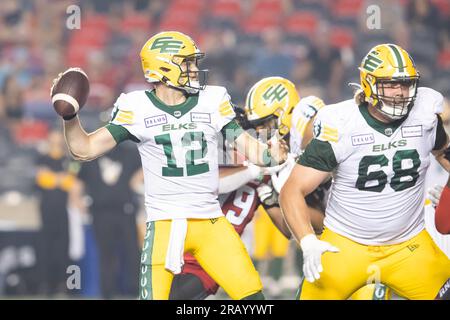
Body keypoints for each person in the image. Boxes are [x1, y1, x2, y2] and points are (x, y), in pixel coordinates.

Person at [53, 31, 287, 300]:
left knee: (254, 299)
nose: (195, 69)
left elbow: (250, 148)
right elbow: (84, 148)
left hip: (211, 223)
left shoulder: (213, 100)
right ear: (164, 67)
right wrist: (70, 117)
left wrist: (271, 156)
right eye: (187, 63)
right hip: (164, 224)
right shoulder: (136, 107)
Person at [280, 43, 450, 300]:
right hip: (346, 246)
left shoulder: (425, 115)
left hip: (409, 246)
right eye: (391, 84)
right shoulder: (342, 125)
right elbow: (292, 190)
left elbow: (442, 151)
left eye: (405, 84)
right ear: (369, 84)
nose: (400, 92)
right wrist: (308, 241)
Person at [76, 142, 142, 299]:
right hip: (101, 213)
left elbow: (146, 167)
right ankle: (107, 292)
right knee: (106, 255)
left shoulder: (130, 153)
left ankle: (135, 290)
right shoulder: (90, 155)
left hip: (125, 211)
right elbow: (78, 182)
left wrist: (136, 180)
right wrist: (79, 204)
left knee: (132, 252)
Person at [35, 129, 76, 296]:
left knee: (63, 248)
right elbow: (43, 180)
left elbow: (70, 182)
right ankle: (45, 285)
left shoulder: (68, 159)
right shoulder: (42, 158)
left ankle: (64, 285)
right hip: (46, 210)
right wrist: (58, 179)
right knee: (46, 249)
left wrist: (55, 179)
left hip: (64, 210)